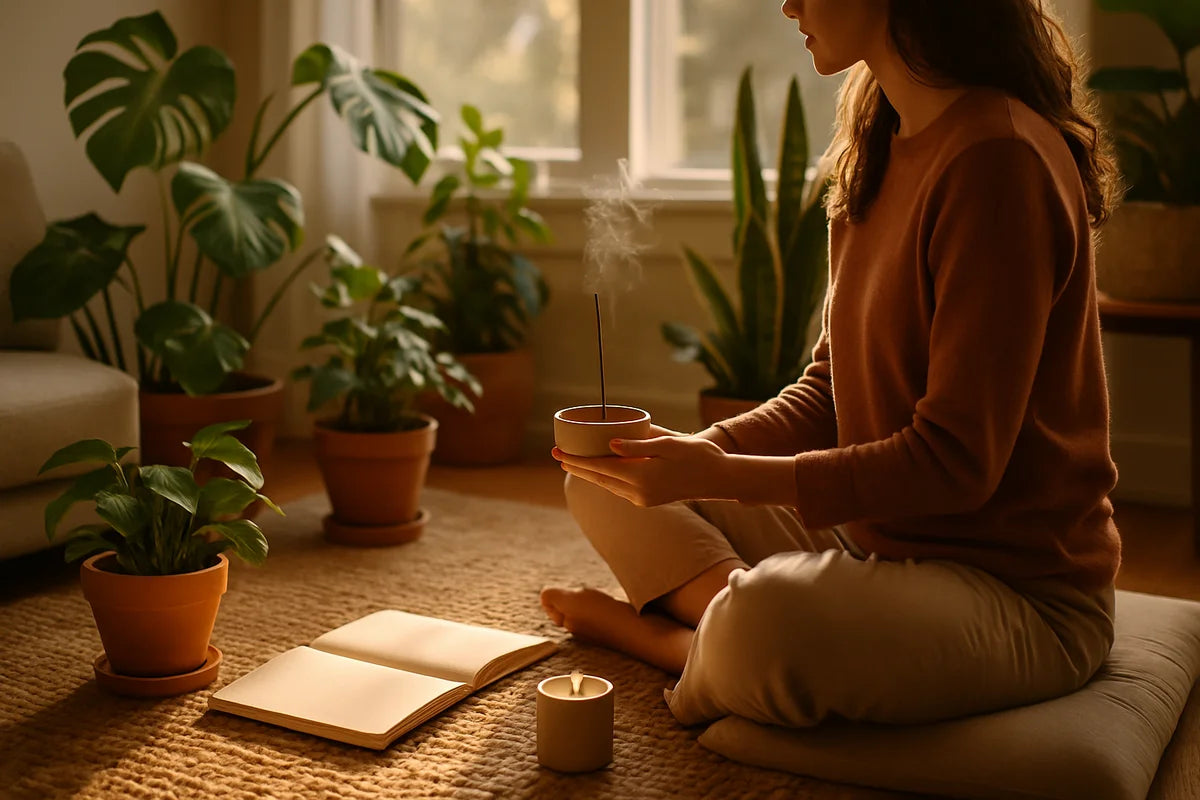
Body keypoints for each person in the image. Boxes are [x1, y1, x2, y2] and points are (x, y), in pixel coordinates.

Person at [542, 0, 1123, 730]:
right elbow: (830, 390)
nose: (787, 4)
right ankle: (722, 636)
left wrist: (715, 478)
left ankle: (676, 641)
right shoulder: (880, 138)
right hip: (874, 541)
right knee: (601, 480)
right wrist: (697, 454)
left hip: (1016, 593)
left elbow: (955, 463)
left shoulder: (997, 159)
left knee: (766, 620)